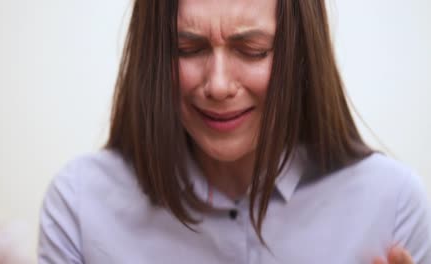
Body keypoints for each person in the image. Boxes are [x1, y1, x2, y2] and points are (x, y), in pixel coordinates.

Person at [38, 0, 431, 263]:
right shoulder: (80, 204)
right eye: (188, 49)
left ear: (302, 55)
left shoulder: (392, 206)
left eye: (252, 50)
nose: (219, 85)